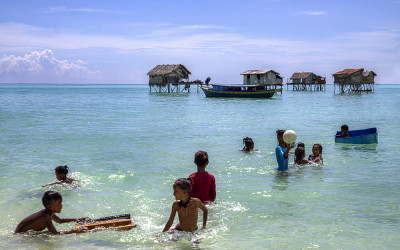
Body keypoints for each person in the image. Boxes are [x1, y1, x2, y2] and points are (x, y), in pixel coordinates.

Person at [14, 191, 88, 235]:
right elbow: (55, 234)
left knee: (47, 233)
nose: (61, 206)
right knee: (48, 234)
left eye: (61, 203)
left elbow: (60, 221)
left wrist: (78, 219)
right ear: (50, 207)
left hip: (22, 233)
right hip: (21, 236)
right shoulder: (45, 217)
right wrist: (74, 231)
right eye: (58, 204)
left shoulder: (48, 213)